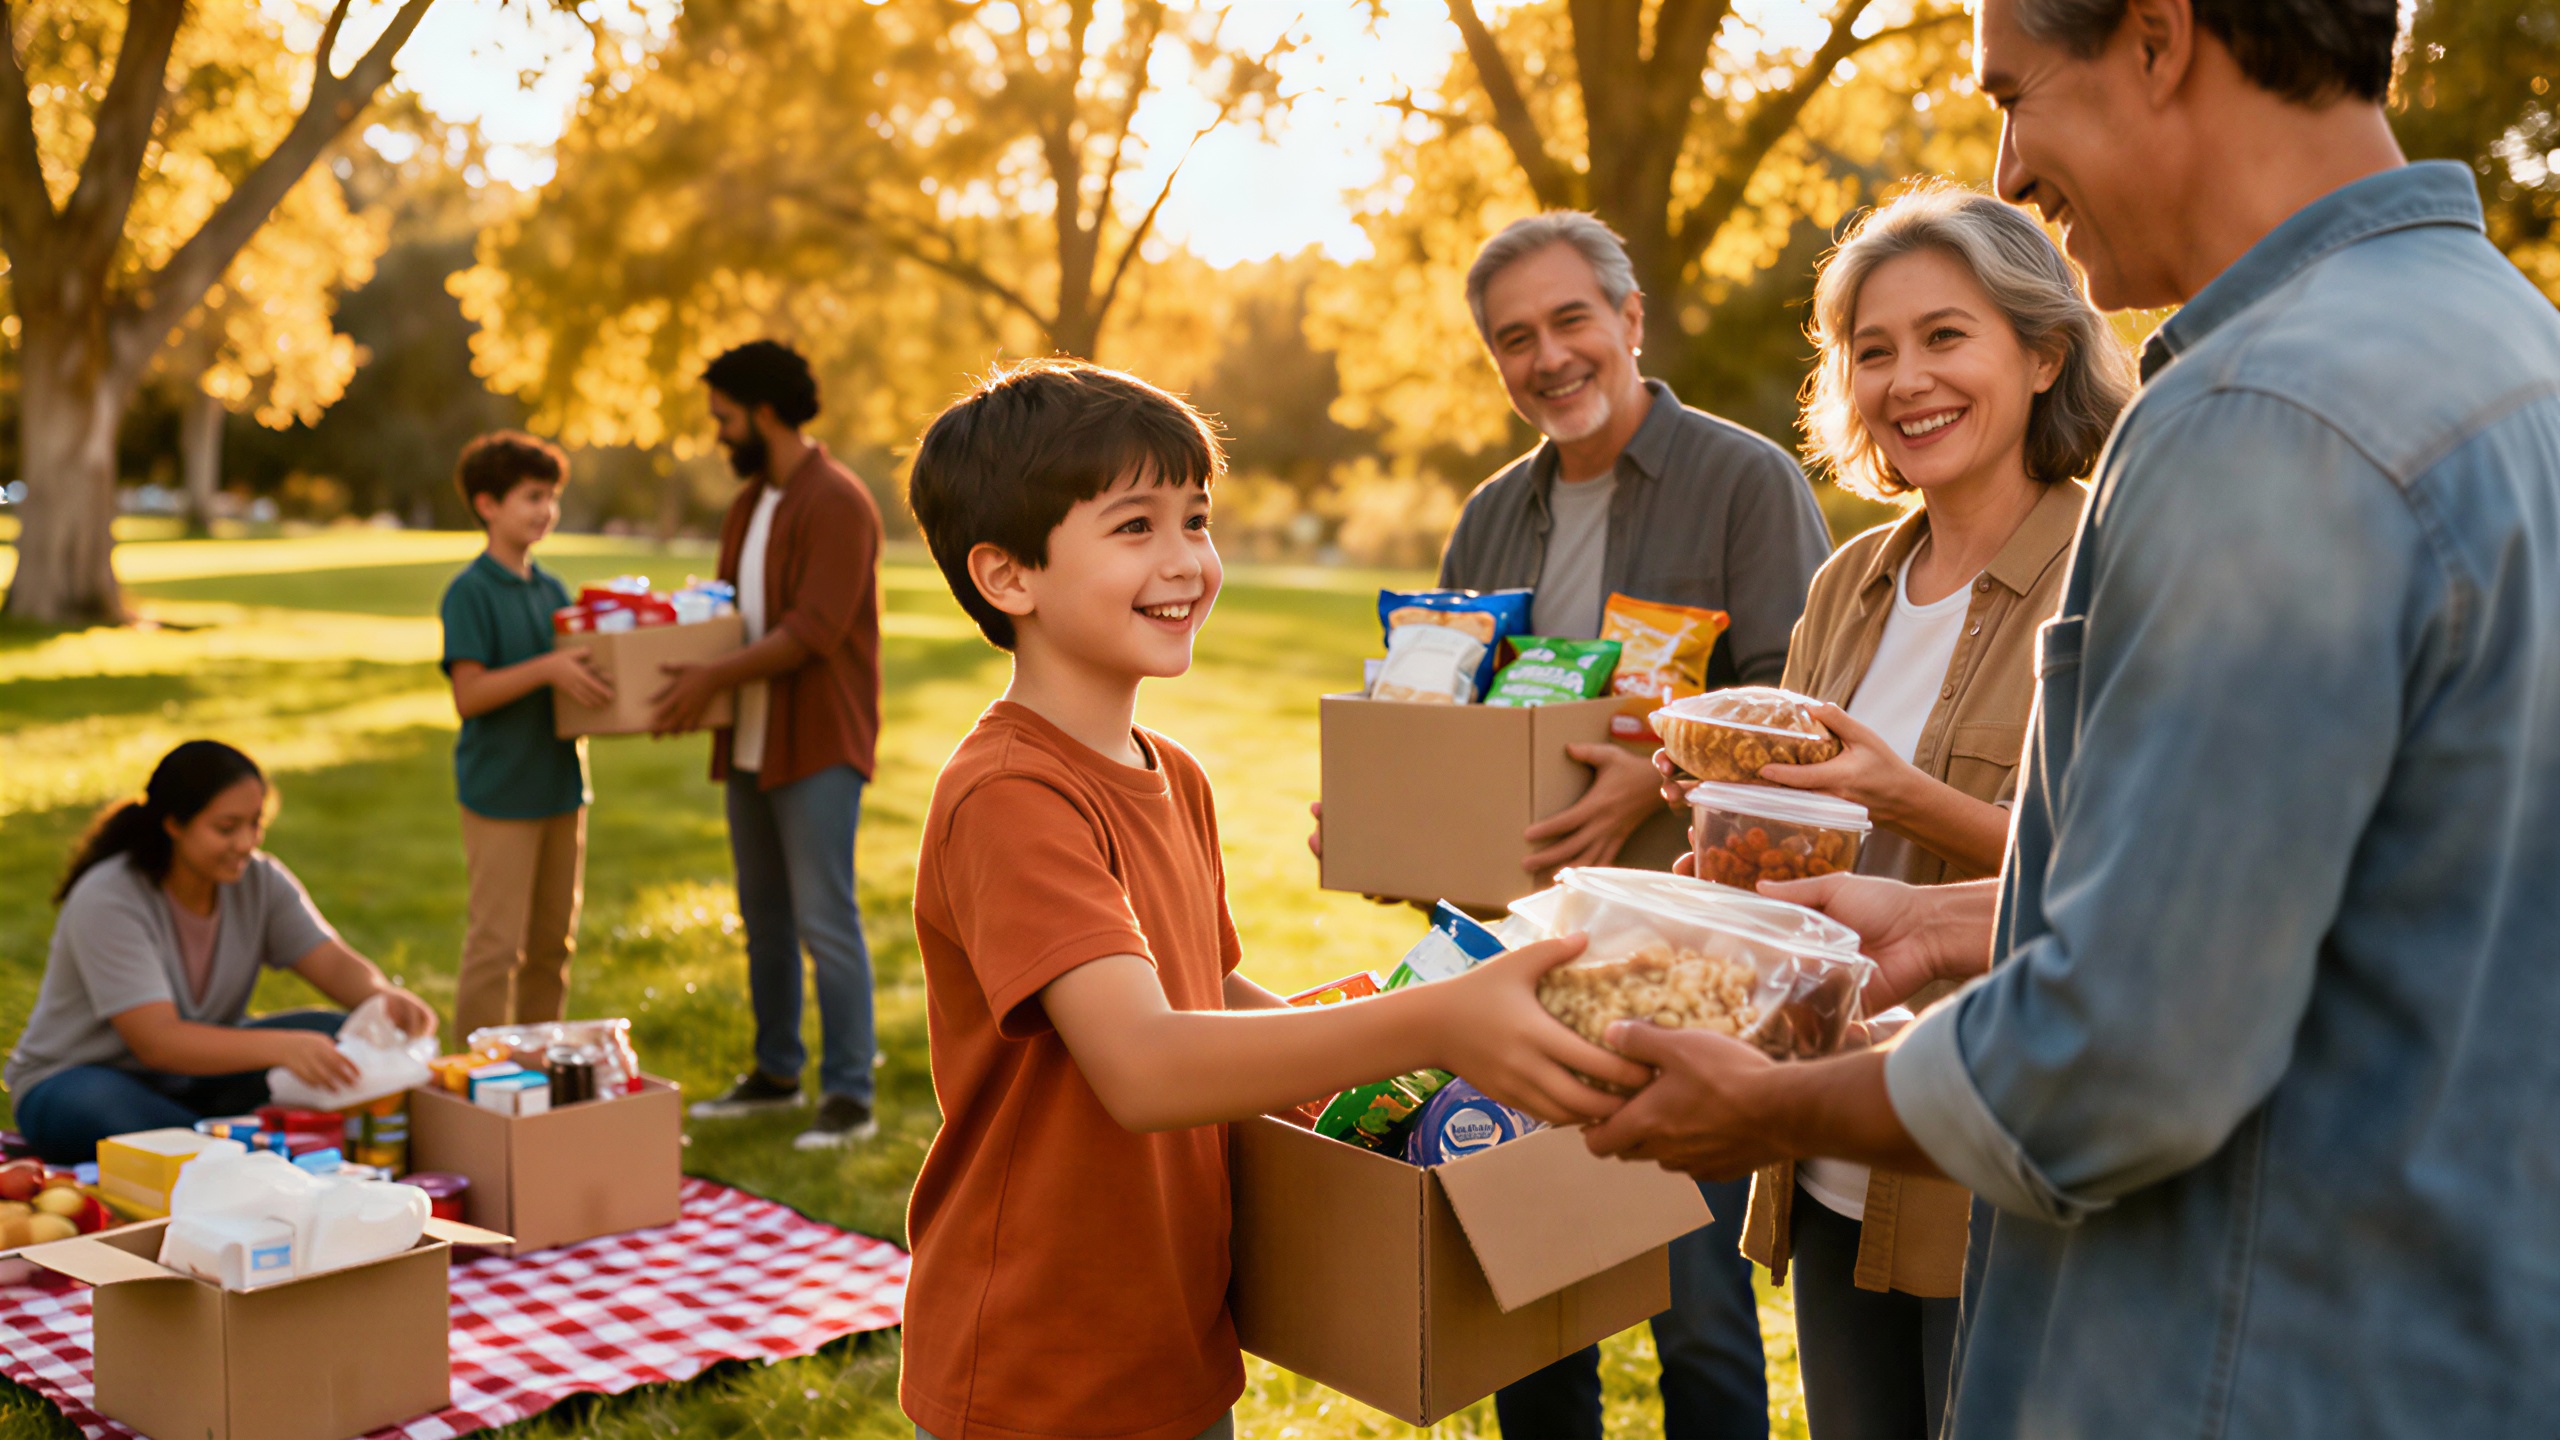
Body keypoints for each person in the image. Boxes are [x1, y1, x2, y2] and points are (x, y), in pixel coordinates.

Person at [1582, 2, 2560, 1437]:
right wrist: (1969, 918)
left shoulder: (2260, 413)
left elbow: (2123, 1062)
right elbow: (2369, 882)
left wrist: (1770, 1106)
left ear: (2159, 40)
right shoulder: (2509, 343)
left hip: (2255, 1363)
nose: (2014, 165)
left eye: (2016, 96)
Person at [897, 358, 1649, 1440]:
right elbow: (1145, 1064)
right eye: (1133, 527)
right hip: (1035, 1360)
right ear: (1008, 576)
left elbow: (1204, 991)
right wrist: (1437, 1017)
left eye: (1194, 520)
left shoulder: (1174, 773)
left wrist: (1392, 1074)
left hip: (1174, 1332)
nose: (1185, 561)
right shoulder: (1011, 795)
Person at [1718, 184, 2131, 1440]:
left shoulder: (2106, 565)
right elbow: (1797, 826)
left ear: (2042, 349)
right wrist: (1733, 832)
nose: (1907, 380)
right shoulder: (1852, 579)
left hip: (1994, 1159)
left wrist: (1902, 793)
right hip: (1829, 1133)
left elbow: (2125, 873)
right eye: (1873, 348)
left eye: (1945, 337)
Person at [1433, 212, 1831, 1440]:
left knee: (1695, 1305)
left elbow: (1806, 714)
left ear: (1628, 321)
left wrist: (1652, 766)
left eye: (1568, 321)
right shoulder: (1493, 515)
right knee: (1527, 1290)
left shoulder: (1742, 479)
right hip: (1519, 963)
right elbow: (1451, 714)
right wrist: (1402, 816)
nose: (1546, 357)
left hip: (1686, 965)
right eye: (1514, 339)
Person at [653, 340, 886, 1151]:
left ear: (763, 412)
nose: (718, 434)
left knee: (826, 918)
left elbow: (814, 633)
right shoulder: (751, 503)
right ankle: (776, 1073)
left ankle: (851, 1095)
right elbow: (732, 614)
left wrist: (709, 679)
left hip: (817, 740)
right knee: (763, 916)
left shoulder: (840, 502)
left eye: (723, 416)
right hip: (750, 740)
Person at [5, 742, 438, 1163]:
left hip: (195, 1077)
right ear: (174, 823)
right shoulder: (110, 897)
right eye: (227, 828)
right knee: (116, 1113)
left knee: (338, 1035)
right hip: (78, 1082)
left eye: (256, 823)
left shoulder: (260, 881)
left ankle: (215, 1144)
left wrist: (382, 997)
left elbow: (329, 959)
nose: (246, 842)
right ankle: (230, 1151)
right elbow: (157, 1042)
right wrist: (284, 1048)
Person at [439, 430, 607, 1039]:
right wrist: (548, 669)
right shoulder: (470, 592)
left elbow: (576, 687)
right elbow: (471, 694)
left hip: (562, 789)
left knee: (550, 947)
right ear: (488, 505)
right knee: (495, 947)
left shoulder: (552, 590)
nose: (546, 510)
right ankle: (475, 1080)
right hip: (500, 793)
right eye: (532, 496)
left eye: (552, 497)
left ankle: (537, 1071)